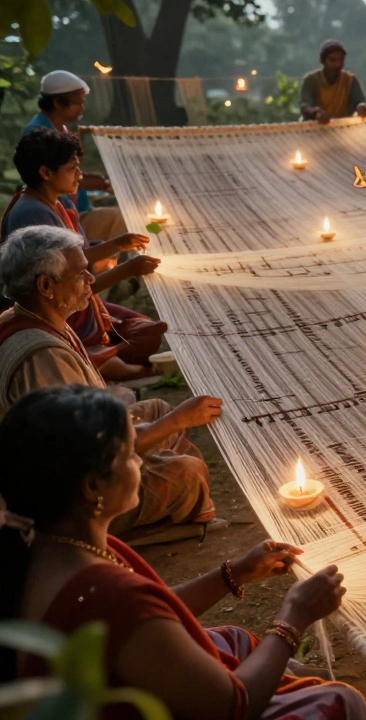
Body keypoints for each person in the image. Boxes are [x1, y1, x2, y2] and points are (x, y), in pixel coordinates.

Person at [0, 385, 366, 718]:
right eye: (129, 454)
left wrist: (234, 573)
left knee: (232, 640)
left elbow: (151, 616)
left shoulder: (50, 544)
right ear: (93, 486)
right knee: (337, 702)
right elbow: (232, 706)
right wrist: (293, 617)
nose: (140, 462)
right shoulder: (104, 592)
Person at [0, 225, 222, 541]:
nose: (91, 280)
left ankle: (164, 486)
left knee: (158, 409)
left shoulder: (29, 318)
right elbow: (84, 457)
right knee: (187, 472)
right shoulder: (42, 356)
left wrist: (163, 423)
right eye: (81, 274)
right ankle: (137, 526)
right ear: (46, 285)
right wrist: (178, 421)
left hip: (85, 452)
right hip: (70, 500)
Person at [4, 129, 165, 380]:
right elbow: (62, 287)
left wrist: (118, 244)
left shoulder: (57, 203)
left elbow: (78, 259)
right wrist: (127, 269)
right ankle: (97, 361)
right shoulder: (32, 215)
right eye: (72, 169)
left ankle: (103, 358)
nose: (80, 175)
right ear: (46, 173)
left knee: (150, 329)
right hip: (56, 310)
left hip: (73, 299)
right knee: (144, 338)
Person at [23, 70, 127, 246]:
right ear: (57, 102)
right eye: (77, 103)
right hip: (61, 219)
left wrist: (102, 181)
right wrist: (103, 183)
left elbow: (68, 173)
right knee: (126, 219)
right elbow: (53, 180)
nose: (82, 109)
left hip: (75, 211)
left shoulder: (60, 131)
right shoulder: (38, 134)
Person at [300, 40, 366, 125]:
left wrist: (361, 107)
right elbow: (305, 106)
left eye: (341, 60)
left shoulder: (350, 80)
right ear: (323, 61)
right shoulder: (311, 80)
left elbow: (359, 102)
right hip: (314, 128)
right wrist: (316, 112)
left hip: (341, 128)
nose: (337, 64)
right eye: (332, 60)